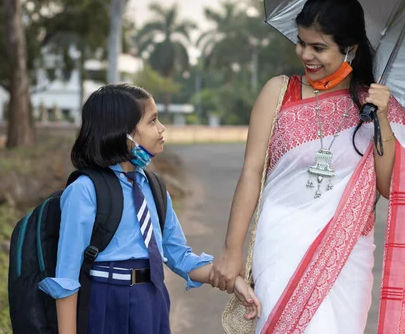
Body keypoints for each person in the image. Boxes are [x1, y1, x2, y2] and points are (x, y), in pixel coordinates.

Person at [213, 0, 405, 333]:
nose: (305, 55)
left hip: (345, 258)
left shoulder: (375, 107)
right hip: (280, 245)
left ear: (351, 50)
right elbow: (251, 173)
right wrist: (231, 250)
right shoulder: (279, 91)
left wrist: (383, 119)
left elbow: (391, 187)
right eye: (301, 43)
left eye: (318, 48)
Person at [38, 83, 261, 334]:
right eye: (152, 121)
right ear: (123, 133)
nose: (162, 128)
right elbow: (66, 279)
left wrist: (234, 282)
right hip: (105, 304)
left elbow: (180, 257)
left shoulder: (154, 188)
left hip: (152, 301)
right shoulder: (85, 190)